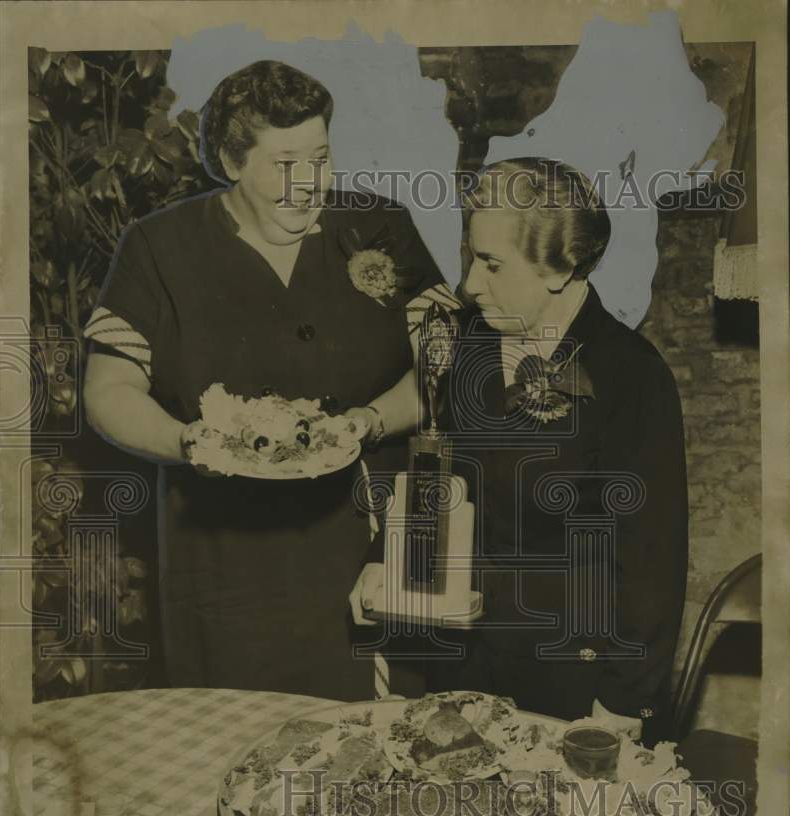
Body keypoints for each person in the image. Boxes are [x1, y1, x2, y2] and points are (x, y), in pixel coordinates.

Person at [83, 60, 455, 698]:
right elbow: (108, 391)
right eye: (285, 163)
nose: (309, 183)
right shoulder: (158, 246)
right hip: (226, 562)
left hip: (372, 544)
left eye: (320, 156)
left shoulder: (379, 226)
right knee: (235, 744)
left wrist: (370, 421)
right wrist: (188, 443)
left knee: (379, 750)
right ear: (231, 163)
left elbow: (446, 369)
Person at [351, 158, 688, 743]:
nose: (469, 284)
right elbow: (437, 470)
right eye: (471, 255)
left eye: (492, 264)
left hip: (573, 676)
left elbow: (653, 561)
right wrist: (387, 560)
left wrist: (623, 704)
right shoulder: (468, 344)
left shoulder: (632, 376)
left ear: (560, 269)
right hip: (462, 657)